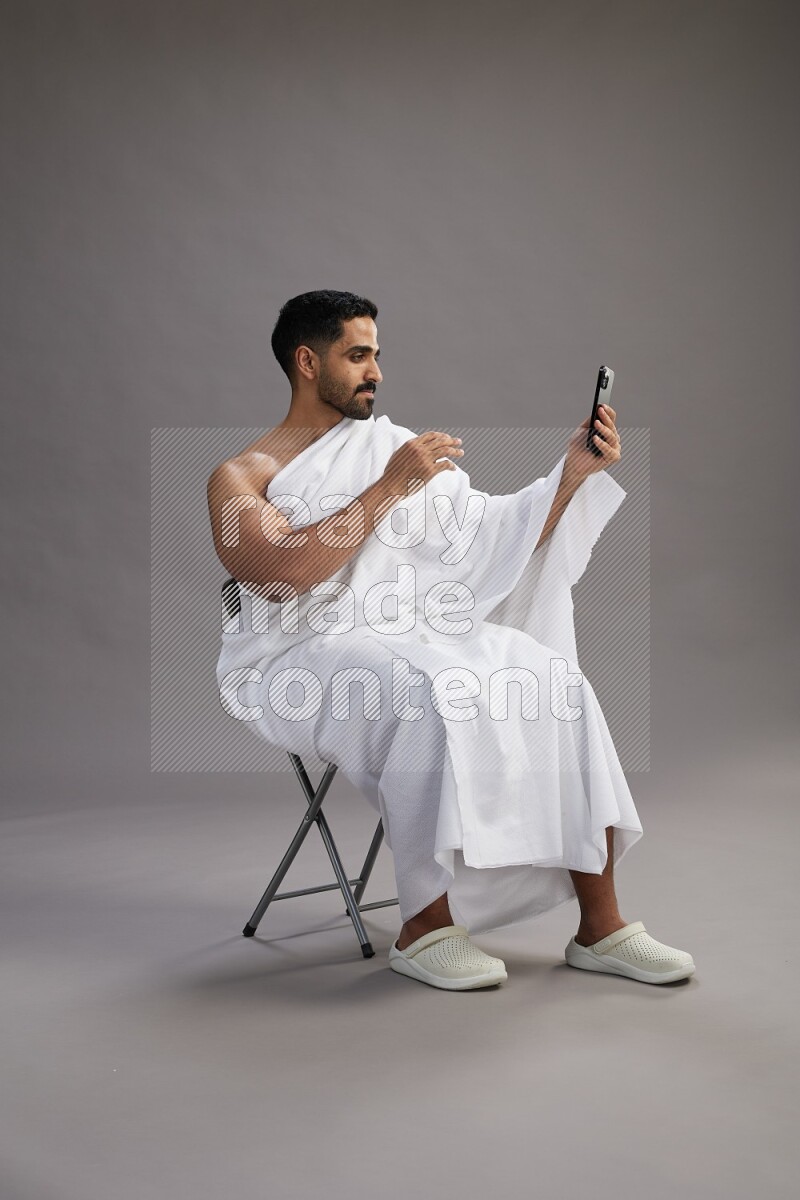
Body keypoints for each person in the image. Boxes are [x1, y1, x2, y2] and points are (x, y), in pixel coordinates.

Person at [207, 289, 695, 991]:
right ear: (308, 362)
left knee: (553, 679)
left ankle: (601, 927)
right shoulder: (240, 477)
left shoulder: (384, 445)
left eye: (376, 353)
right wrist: (389, 486)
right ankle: (424, 927)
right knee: (426, 693)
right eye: (358, 355)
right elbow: (283, 575)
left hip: (412, 630)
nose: (375, 370)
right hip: (300, 656)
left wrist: (572, 475)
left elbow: (487, 535)